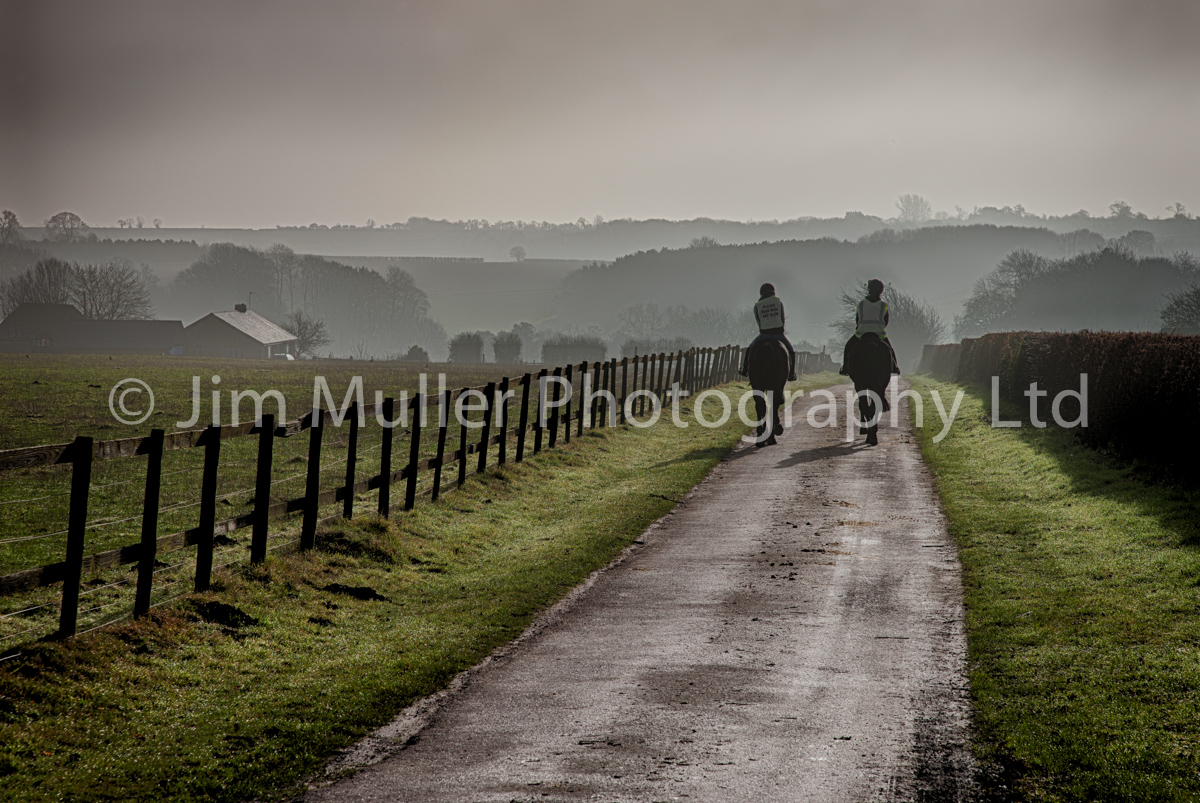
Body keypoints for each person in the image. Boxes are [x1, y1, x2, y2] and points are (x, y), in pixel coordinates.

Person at [740, 282, 797, 381]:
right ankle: (791, 374)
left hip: (764, 335)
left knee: (750, 349)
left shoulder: (757, 305)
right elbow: (782, 318)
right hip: (778, 334)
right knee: (791, 351)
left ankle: (744, 370)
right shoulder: (778, 302)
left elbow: (758, 321)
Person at [841, 278, 899, 375]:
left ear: (869, 290)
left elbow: (857, 320)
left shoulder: (861, 304)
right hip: (879, 334)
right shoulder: (883, 305)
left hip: (861, 333)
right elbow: (886, 322)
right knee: (890, 350)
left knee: (848, 347)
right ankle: (894, 367)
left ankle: (845, 367)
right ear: (881, 291)